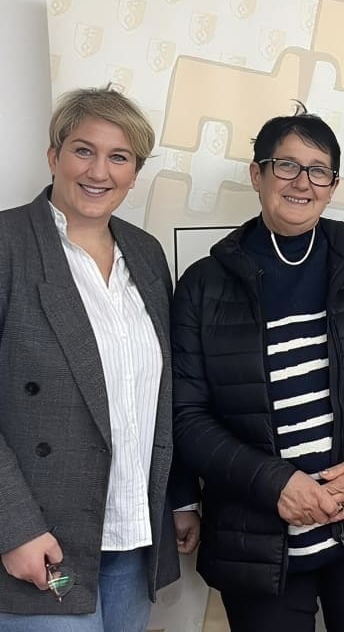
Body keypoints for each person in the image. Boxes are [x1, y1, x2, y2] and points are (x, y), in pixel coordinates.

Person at [171, 107, 344, 631]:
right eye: (286, 166)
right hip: (256, 542)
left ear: (333, 185)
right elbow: (187, 415)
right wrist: (274, 483)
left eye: (319, 170)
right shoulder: (203, 285)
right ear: (257, 174)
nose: (302, 182)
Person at [0, 87, 200, 630]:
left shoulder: (146, 253)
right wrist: (14, 527)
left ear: (135, 174)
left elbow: (159, 395)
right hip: (43, 540)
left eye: (119, 157)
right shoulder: (8, 244)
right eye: (83, 150)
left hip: (134, 535)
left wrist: (178, 499)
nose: (99, 171)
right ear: (54, 156)